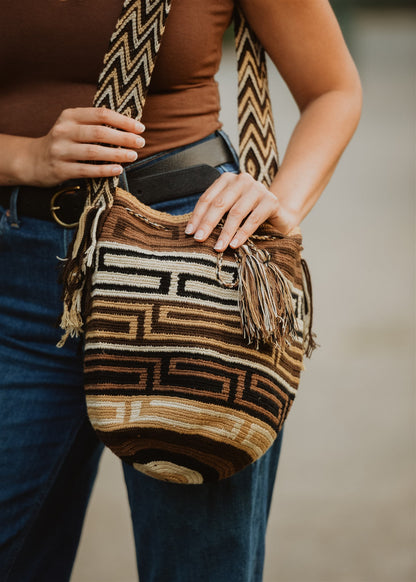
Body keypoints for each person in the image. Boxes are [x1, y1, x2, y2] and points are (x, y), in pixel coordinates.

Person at [0, 1, 362, 581]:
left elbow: (333, 89)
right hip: (15, 278)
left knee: (201, 567)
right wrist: (25, 155)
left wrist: (282, 203)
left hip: (194, 267)